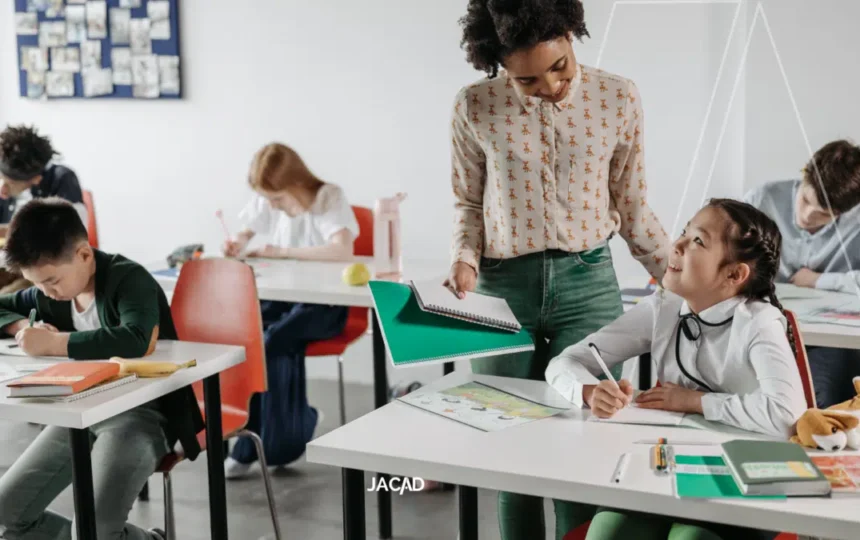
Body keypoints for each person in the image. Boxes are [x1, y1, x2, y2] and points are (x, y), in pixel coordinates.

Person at [445, 1, 670, 538]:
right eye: (527, 79)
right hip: (503, 289)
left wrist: (681, 275)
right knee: (510, 444)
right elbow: (468, 204)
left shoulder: (618, 97)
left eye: (560, 67)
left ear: (572, 36)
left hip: (589, 283)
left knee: (588, 438)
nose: (550, 86)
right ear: (497, 64)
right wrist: (464, 259)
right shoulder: (474, 106)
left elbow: (633, 206)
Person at [546, 199, 807, 540]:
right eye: (684, 233)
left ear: (734, 274)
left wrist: (695, 401)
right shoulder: (664, 308)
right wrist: (588, 390)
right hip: (668, 471)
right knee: (606, 534)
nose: (677, 244)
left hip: (745, 480)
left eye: (698, 241)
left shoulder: (759, 323)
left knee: (689, 539)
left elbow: (787, 414)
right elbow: (565, 362)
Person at [0, 198, 203, 540]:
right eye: (37, 284)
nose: (45, 292)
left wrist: (55, 344)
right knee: (7, 513)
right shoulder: (51, 293)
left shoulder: (128, 278)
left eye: (51, 281)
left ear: (84, 255)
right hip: (80, 414)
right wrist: (20, 327)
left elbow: (136, 338)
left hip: (144, 413)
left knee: (94, 530)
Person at [221, 142, 358, 478]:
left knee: (273, 341)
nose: (271, 205)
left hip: (326, 306)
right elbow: (246, 230)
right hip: (283, 299)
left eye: (277, 199)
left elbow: (342, 250)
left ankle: (254, 445)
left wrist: (282, 251)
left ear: (295, 183)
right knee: (248, 338)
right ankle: (290, 428)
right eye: (267, 199)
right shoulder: (270, 199)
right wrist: (237, 241)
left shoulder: (328, 197)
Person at [744, 139, 860, 408]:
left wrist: (819, 280)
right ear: (804, 173)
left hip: (828, 341)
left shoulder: (856, 222)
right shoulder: (762, 199)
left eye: (823, 215)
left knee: (823, 398)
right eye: (806, 200)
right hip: (764, 327)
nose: (807, 216)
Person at [0, 125, 87, 295]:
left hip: (43, 268)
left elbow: (66, 241)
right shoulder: (7, 186)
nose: (2, 189)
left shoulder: (62, 180)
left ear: (35, 179)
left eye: (9, 183)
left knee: (5, 299)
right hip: (11, 262)